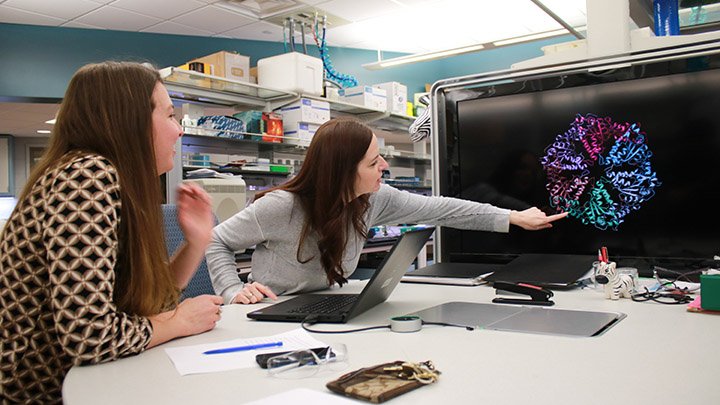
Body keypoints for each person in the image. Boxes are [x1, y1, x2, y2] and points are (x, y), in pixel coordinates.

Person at [0, 62, 224, 403]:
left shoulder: (103, 179)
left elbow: (145, 306)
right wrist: (180, 322)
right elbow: (90, 335)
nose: (178, 130)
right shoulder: (86, 177)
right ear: (129, 121)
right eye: (168, 116)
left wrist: (196, 242)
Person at [206, 118, 568, 305]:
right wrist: (231, 291)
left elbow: (442, 209)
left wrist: (510, 217)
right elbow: (215, 240)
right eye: (373, 161)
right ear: (343, 171)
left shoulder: (371, 201)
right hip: (266, 316)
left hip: (325, 306)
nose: (383, 167)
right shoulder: (281, 208)